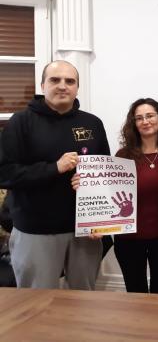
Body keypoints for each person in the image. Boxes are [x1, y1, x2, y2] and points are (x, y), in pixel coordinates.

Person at [0, 60, 110, 289]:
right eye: (55, 80)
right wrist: (54, 168)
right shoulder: (21, 122)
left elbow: (105, 174)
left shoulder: (92, 123)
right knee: (37, 301)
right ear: (42, 85)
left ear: (77, 87)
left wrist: (100, 219)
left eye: (70, 81)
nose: (62, 86)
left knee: (85, 299)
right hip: (36, 230)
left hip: (84, 231)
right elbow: (5, 173)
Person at [113, 98, 158, 293]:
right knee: (135, 293)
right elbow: (109, 194)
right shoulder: (123, 156)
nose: (145, 121)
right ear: (133, 123)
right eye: (139, 118)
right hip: (128, 239)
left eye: (150, 116)